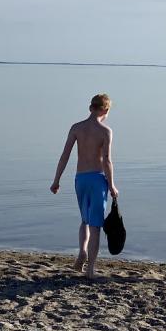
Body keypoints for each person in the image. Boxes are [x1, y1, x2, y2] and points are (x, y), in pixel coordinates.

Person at [50, 93, 119, 278]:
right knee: (96, 225)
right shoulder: (105, 131)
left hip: (80, 179)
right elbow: (107, 161)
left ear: (90, 108)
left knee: (84, 220)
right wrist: (112, 185)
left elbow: (64, 155)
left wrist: (56, 180)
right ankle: (90, 269)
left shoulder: (76, 128)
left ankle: (82, 251)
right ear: (106, 110)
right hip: (97, 180)